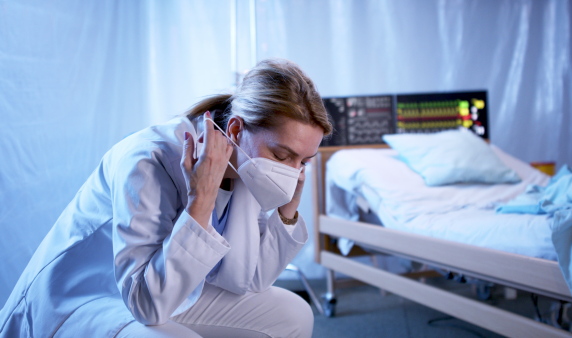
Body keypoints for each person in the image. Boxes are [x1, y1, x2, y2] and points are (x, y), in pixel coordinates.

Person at [0, 58, 332, 337]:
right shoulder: (148, 159)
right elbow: (146, 303)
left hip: (167, 288)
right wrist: (201, 199)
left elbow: (248, 278)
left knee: (294, 315)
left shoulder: (248, 165)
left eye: (303, 161)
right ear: (234, 130)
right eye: (282, 155)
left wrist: (287, 211)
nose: (291, 170)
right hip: (88, 296)